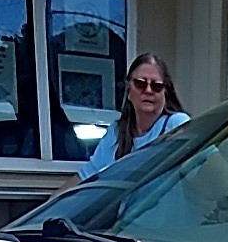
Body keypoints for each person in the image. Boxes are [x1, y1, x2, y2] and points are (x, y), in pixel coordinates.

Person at [72, 54, 188, 184]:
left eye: (156, 86)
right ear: (128, 89)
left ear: (165, 92)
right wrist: (49, 204)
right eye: (140, 84)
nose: (148, 90)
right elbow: (85, 177)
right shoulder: (115, 133)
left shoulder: (177, 124)